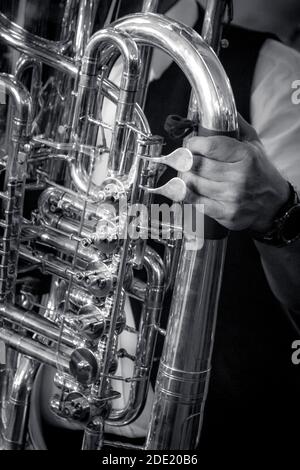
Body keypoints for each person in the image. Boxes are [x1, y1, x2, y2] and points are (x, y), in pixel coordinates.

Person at [28, 0, 300, 455]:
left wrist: (278, 214)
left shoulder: (276, 77)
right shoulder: (48, 76)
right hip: (42, 424)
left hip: (209, 433)